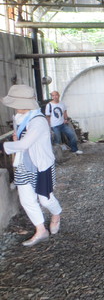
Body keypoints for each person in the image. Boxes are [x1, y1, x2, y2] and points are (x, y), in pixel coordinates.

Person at [1, 84, 62, 246]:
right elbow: (21, 142)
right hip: (23, 163)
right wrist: (16, 140)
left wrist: (5, 146)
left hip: (40, 165)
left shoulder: (38, 121)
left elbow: (25, 144)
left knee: (45, 199)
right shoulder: (19, 118)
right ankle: (40, 230)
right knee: (27, 199)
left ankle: (56, 214)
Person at [45, 90, 82, 155]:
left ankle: (74, 149)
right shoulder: (49, 105)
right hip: (54, 126)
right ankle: (57, 155)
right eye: (53, 95)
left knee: (72, 135)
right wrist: (49, 126)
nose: (55, 97)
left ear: (58, 95)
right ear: (52, 97)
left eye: (56, 95)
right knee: (57, 140)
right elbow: (48, 116)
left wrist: (66, 119)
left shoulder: (62, 103)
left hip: (63, 124)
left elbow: (64, 112)